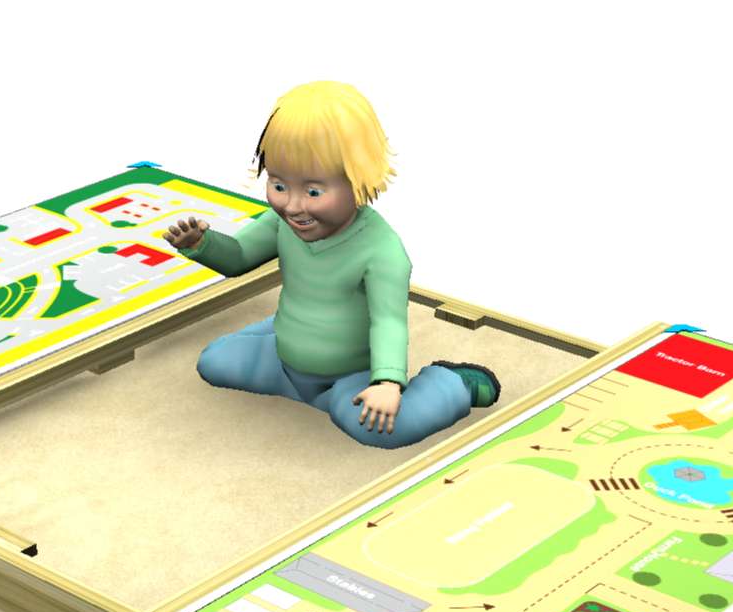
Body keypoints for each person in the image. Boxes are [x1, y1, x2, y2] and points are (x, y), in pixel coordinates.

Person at [164, 81, 499, 448]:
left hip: (349, 377)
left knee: (384, 429)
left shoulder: (381, 250)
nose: (292, 206)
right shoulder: (281, 223)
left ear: (358, 180)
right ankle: (289, 346)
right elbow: (240, 256)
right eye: (279, 185)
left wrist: (387, 382)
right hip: (283, 364)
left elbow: (388, 321)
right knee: (213, 362)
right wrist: (203, 245)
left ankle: (452, 383)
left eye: (313, 192)